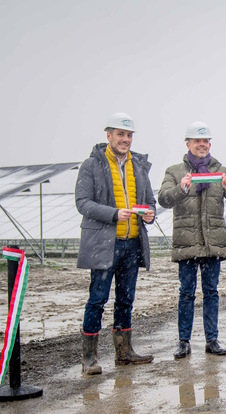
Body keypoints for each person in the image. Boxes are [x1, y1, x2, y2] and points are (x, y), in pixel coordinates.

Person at [76, 112, 156, 375]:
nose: (125, 139)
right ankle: (90, 358)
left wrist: (150, 213)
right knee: (97, 299)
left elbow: (150, 202)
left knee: (126, 299)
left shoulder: (139, 166)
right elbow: (83, 203)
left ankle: (124, 353)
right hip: (104, 243)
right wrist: (112, 214)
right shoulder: (92, 165)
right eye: (120, 134)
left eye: (129, 135)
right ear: (108, 135)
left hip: (132, 243)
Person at [158, 122, 226, 359]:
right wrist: (181, 188)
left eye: (206, 141)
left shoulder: (220, 170)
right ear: (188, 144)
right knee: (186, 292)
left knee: (211, 291)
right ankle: (184, 342)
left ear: (210, 144)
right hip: (187, 241)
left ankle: (212, 340)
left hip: (212, 242)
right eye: (197, 141)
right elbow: (164, 199)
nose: (202, 145)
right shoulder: (175, 172)